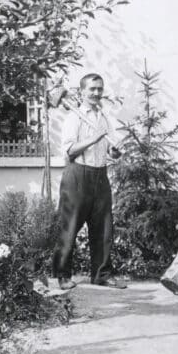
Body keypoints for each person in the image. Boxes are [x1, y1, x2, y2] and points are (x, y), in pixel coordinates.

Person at [52, 73, 126, 290]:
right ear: (82, 91)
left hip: (100, 174)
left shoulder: (103, 117)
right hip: (77, 174)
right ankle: (63, 275)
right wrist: (93, 139)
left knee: (103, 227)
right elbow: (69, 151)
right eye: (92, 89)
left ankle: (101, 274)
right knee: (69, 225)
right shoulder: (73, 117)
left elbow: (113, 152)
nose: (96, 93)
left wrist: (115, 151)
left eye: (99, 89)